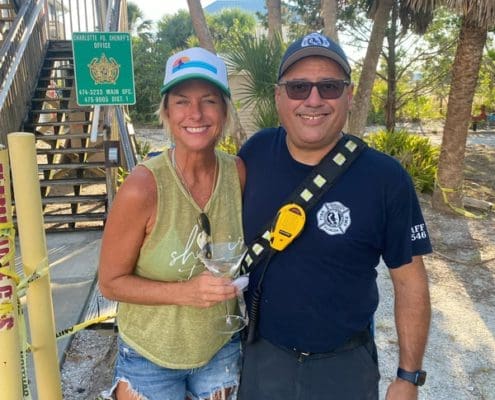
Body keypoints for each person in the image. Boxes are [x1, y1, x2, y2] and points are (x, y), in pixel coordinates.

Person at [238, 32, 431, 400]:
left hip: (345, 367)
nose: (313, 100)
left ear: (349, 95)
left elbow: (410, 282)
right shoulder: (255, 154)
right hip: (262, 358)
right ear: (279, 96)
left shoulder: (386, 178)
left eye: (329, 87)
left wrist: (408, 377)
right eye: (298, 87)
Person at [98, 47, 245, 400]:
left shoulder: (237, 173)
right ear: (166, 111)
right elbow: (110, 283)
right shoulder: (143, 187)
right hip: (149, 358)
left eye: (209, 101)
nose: (196, 113)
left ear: (224, 111)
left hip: (220, 347)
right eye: (182, 101)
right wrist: (185, 293)